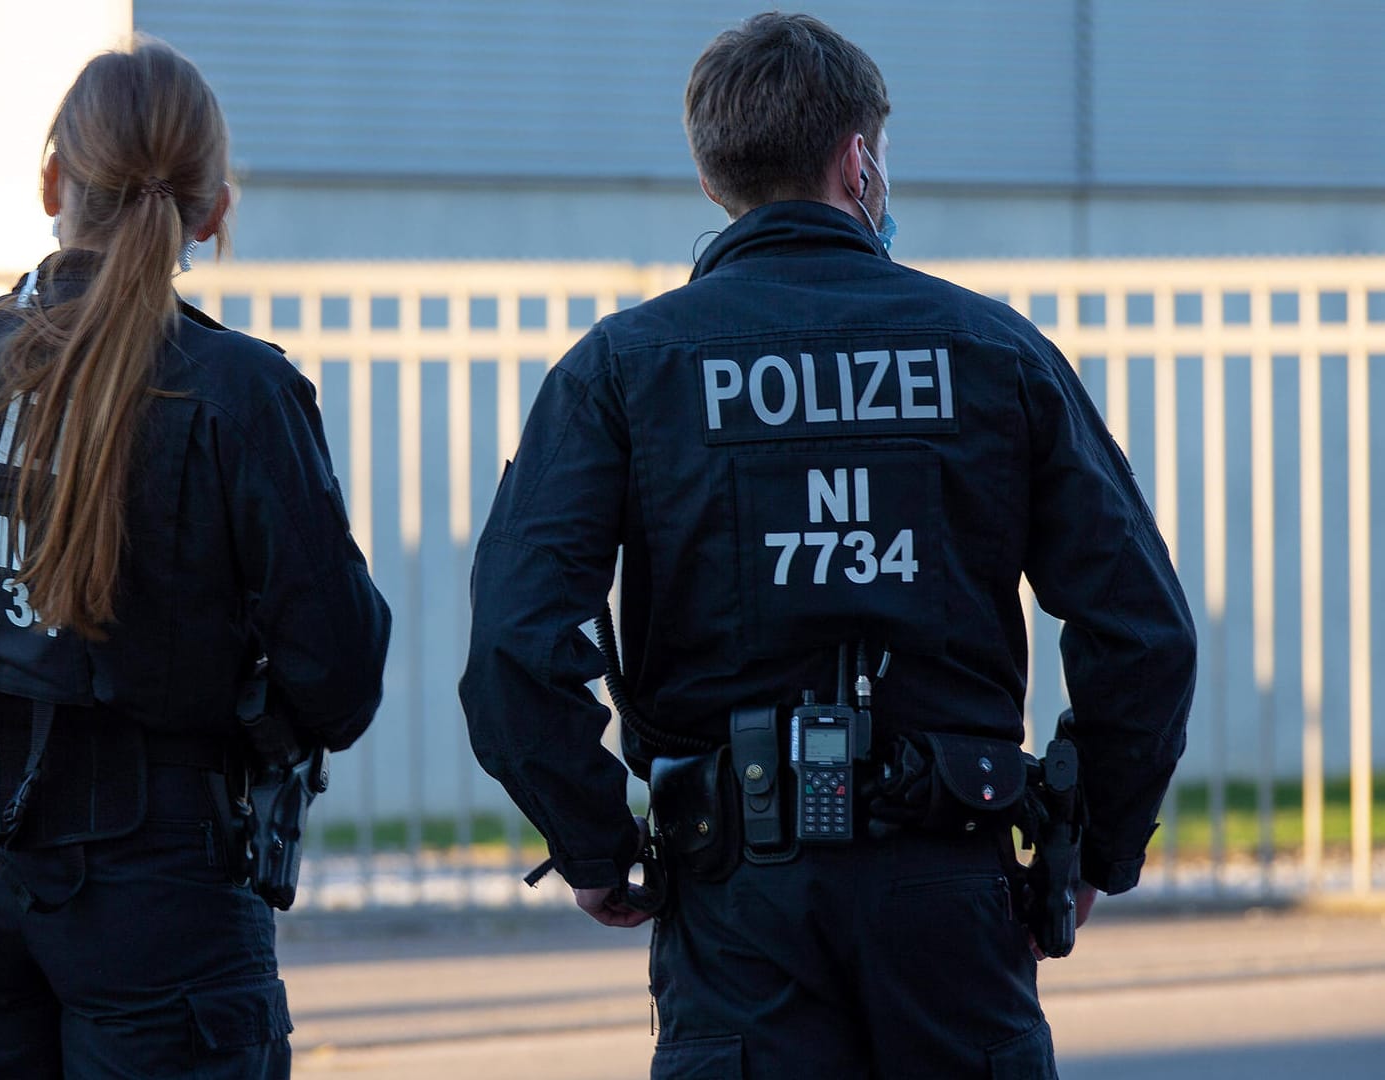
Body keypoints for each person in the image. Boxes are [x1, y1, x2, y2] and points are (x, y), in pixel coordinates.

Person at [460, 12, 1195, 1078]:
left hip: (736, 904)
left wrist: (595, 843)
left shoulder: (623, 369)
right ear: (858, 163)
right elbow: (1144, 630)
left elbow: (514, 646)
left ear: (716, 178)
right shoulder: (996, 354)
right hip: (953, 890)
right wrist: (1097, 843)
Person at [0, 37, 390, 1077]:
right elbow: (342, 679)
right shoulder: (239, 394)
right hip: (161, 897)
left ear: (54, 180)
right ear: (215, 210)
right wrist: (229, 715)